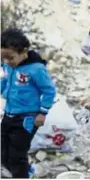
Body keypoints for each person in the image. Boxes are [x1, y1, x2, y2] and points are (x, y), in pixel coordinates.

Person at [1, 29, 56, 178]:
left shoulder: (36, 69)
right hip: (9, 115)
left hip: (27, 118)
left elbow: (49, 90)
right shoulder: (8, 66)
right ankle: (27, 172)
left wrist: (42, 113)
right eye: (3, 58)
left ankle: (23, 175)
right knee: (3, 152)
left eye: (10, 58)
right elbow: (4, 81)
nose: (6, 62)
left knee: (17, 155)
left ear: (24, 52)